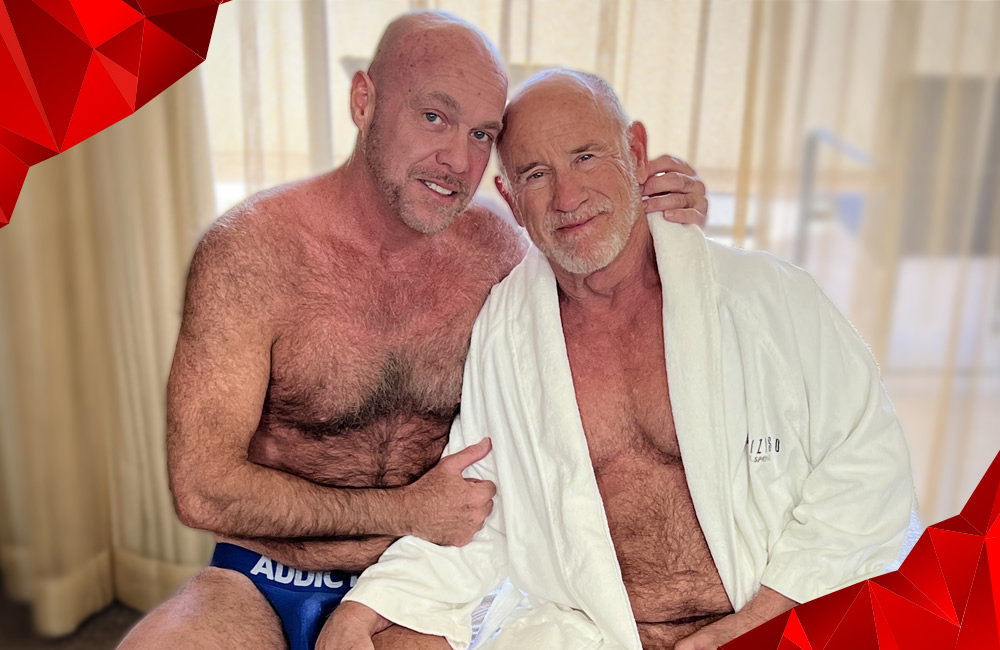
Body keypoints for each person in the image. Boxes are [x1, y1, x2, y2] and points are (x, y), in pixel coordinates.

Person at [117, 12, 708, 650]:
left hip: (430, 583)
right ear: (363, 102)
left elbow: (601, 276)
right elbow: (202, 488)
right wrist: (402, 509)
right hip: (268, 574)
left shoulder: (497, 251)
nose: (457, 160)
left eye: (481, 134)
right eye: (433, 117)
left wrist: (661, 221)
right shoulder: (252, 254)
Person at [323, 70, 921, 650]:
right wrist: (364, 609)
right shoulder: (506, 334)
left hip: (777, 618)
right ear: (511, 198)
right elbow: (482, 509)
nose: (568, 197)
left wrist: (758, 623)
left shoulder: (772, 298)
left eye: (586, 157)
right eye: (536, 174)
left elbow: (868, 470)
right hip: (595, 634)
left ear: (635, 153)